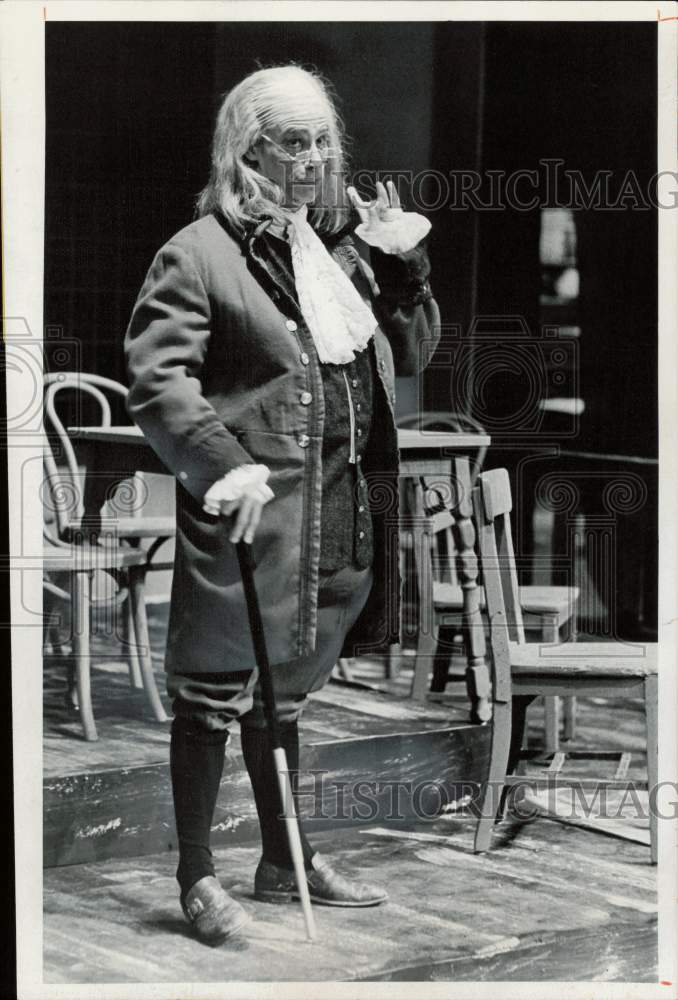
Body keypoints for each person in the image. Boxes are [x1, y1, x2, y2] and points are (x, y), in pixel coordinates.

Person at [124, 64, 440, 945]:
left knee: (288, 693)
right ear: (246, 148)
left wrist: (403, 265)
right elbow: (158, 381)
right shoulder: (200, 252)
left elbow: (408, 354)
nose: (312, 160)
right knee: (213, 691)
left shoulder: (339, 250)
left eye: (322, 142)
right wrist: (220, 465)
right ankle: (195, 874)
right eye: (292, 142)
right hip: (253, 508)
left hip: (340, 505)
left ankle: (282, 860)